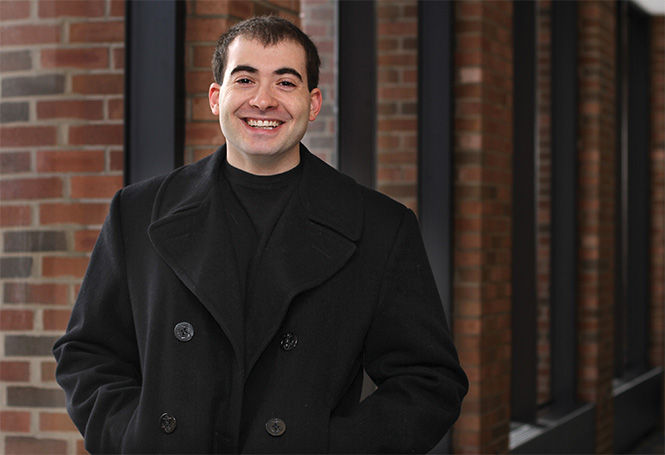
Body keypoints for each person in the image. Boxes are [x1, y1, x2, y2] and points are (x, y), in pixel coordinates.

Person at [53, 16, 468, 454]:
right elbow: (88, 354)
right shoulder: (137, 212)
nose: (264, 100)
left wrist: (332, 448)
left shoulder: (381, 226)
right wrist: (131, 437)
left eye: (286, 83)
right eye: (245, 78)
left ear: (313, 103)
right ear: (217, 97)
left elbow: (429, 381)